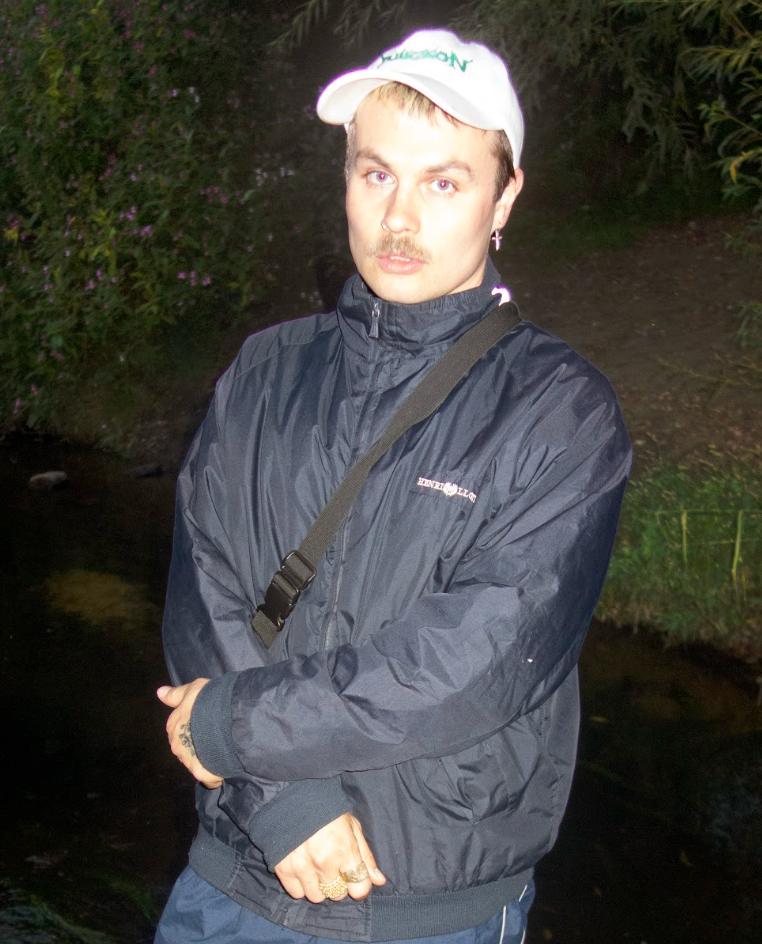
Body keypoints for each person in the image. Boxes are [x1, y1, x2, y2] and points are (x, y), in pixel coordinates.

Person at [154, 28, 631, 944]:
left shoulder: (562, 413)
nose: (398, 219)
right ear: (345, 176)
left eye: (443, 183)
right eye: (377, 174)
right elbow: (203, 594)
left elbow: (477, 663)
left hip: (424, 910)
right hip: (230, 879)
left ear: (505, 195)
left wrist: (234, 730)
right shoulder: (264, 372)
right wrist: (287, 803)